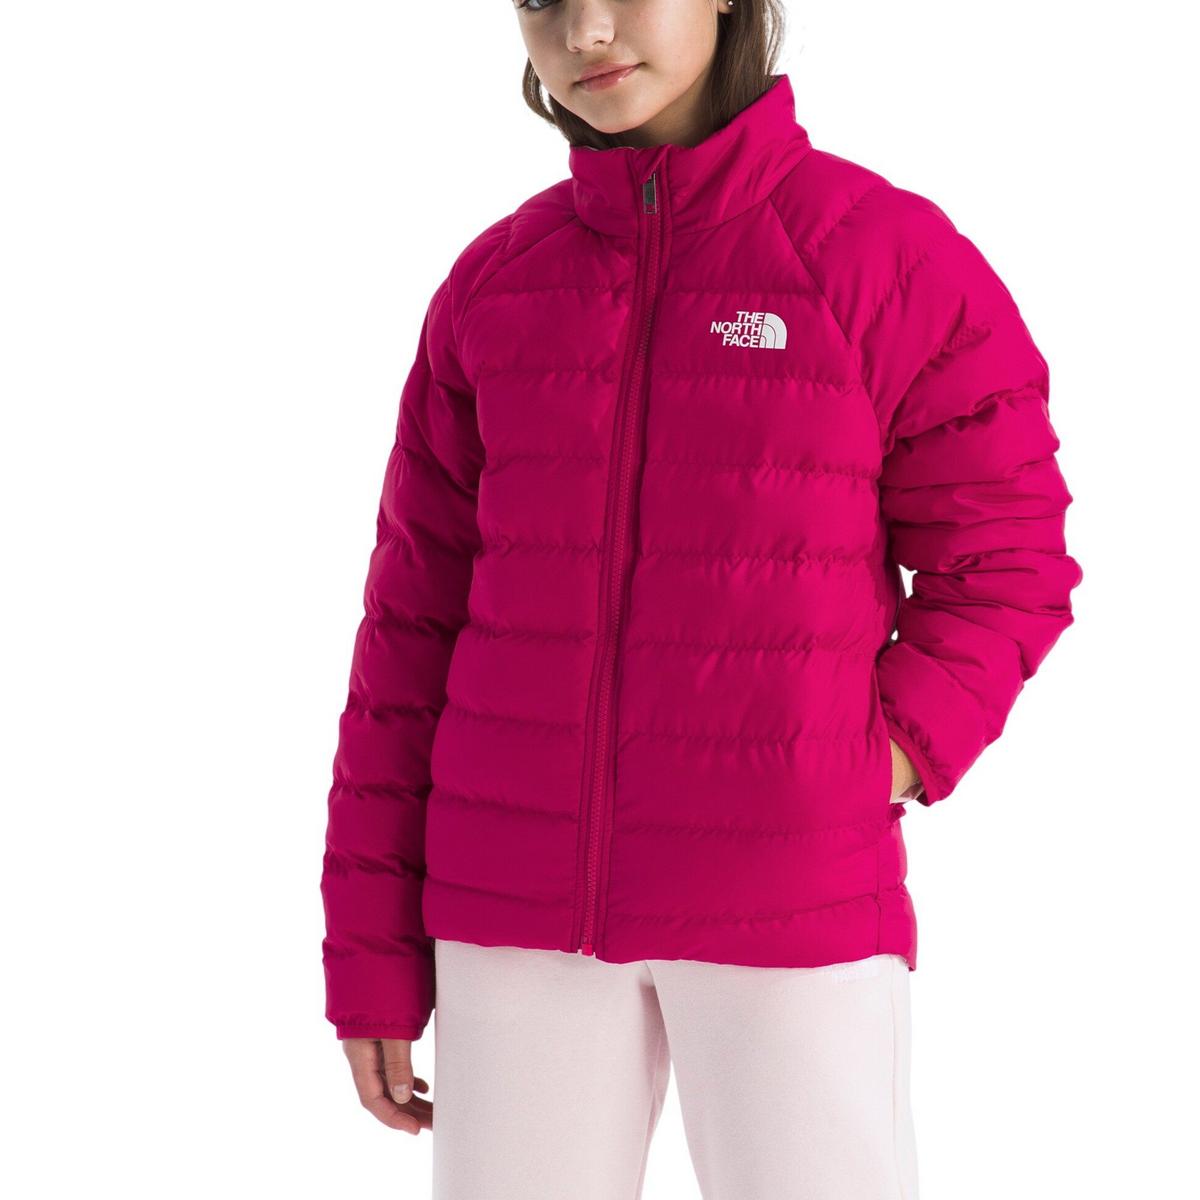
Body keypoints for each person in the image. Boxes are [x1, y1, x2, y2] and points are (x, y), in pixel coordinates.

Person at [319, 2, 1082, 1197]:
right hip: (513, 908)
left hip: (788, 901)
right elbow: (409, 636)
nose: (585, 29)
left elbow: (1009, 556)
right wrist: (371, 959)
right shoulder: (496, 286)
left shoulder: (882, 258)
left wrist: (867, 761)